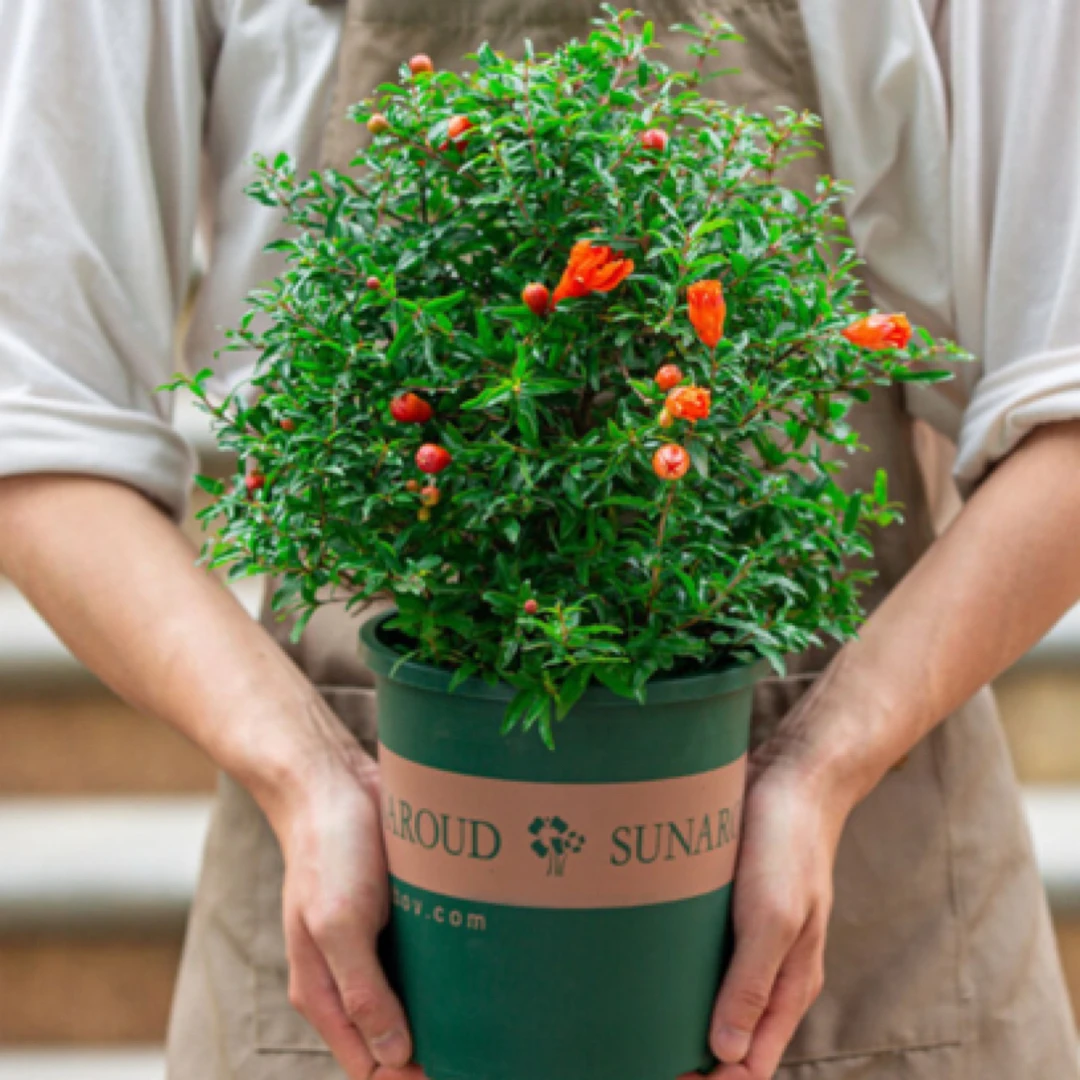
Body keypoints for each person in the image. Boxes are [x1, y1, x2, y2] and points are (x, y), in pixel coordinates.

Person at [1, 1, 1079, 1078]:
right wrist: (306, 773)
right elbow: (36, 420)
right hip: (361, 898)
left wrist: (820, 765)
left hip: (872, 886)